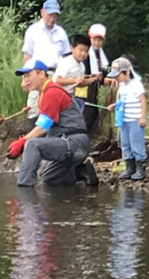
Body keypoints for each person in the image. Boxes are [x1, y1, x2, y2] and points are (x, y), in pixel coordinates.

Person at [8, 61, 99, 189]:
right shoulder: (45, 92)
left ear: (41, 74)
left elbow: (43, 127)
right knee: (49, 181)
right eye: (24, 76)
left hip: (73, 143)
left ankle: (24, 191)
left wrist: (22, 141)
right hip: (72, 145)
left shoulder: (51, 92)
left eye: (28, 75)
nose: (25, 80)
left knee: (32, 145)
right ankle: (81, 172)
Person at [21, 0, 71, 110]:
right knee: (34, 107)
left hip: (57, 74)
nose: (52, 19)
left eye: (55, 16)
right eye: (49, 15)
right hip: (37, 73)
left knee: (56, 107)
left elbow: (67, 57)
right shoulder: (33, 30)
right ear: (42, 12)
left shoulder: (61, 32)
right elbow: (27, 56)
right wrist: (25, 78)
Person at [109, 56, 147, 182]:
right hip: (123, 120)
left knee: (136, 143)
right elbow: (121, 102)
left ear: (127, 72)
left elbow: (142, 100)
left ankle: (140, 168)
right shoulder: (121, 86)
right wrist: (114, 107)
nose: (116, 78)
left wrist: (142, 116)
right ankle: (129, 167)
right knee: (125, 144)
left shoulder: (136, 84)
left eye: (118, 75)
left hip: (135, 120)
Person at [81, 23, 113, 138]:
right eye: (94, 39)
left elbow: (103, 71)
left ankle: (90, 134)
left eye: (99, 40)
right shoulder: (86, 54)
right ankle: (83, 135)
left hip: (94, 86)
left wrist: (104, 79)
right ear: (90, 38)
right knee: (86, 111)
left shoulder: (100, 54)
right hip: (84, 86)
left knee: (93, 111)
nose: (97, 43)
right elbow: (86, 72)